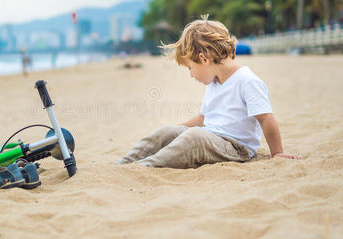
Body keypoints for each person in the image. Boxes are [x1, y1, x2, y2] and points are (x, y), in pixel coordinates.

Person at [114, 16, 301, 169]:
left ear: (203, 59)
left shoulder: (247, 80)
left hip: (236, 147)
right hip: (211, 137)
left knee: (195, 137)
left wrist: (277, 153)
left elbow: (266, 119)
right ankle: (124, 163)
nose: (191, 75)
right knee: (167, 131)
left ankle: (146, 166)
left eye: (190, 68)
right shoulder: (214, 83)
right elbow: (203, 118)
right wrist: (174, 132)